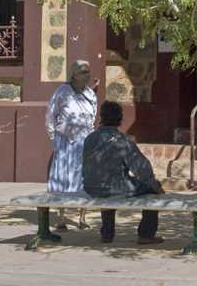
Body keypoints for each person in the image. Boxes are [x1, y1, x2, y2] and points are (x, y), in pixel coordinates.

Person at [82, 100, 165, 244]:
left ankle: (107, 233)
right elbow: (141, 167)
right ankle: (146, 234)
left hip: (90, 187)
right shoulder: (123, 140)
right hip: (114, 186)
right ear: (120, 119)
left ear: (101, 117)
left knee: (108, 185)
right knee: (150, 188)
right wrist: (154, 185)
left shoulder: (90, 138)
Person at [45, 59, 98, 230]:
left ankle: (82, 217)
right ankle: (61, 217)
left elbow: (93, 118)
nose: (87, 75)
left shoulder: (90, 94)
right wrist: (53, 136)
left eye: (88, 72)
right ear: (74, 74)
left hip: (84, 142)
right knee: (63, 177)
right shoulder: (62, 92)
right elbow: (51, 114)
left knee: (83, 178)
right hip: (65, 142)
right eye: (83, 72)